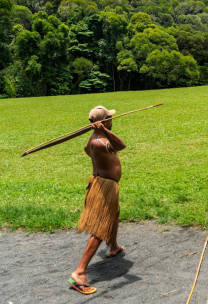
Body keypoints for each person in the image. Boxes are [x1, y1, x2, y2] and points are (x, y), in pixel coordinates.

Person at [68, 105, 126, 295]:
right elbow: (121, 146)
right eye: (109, 117)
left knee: (114, 212)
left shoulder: (93, 139)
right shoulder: (101, 141)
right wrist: (104, 131)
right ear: (104, 121)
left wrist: (101, 131)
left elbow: (86, 149)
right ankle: (80, 272)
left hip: (104, 184)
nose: (112, 119)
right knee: (100, 228)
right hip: (104, 187)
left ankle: (114, 247)